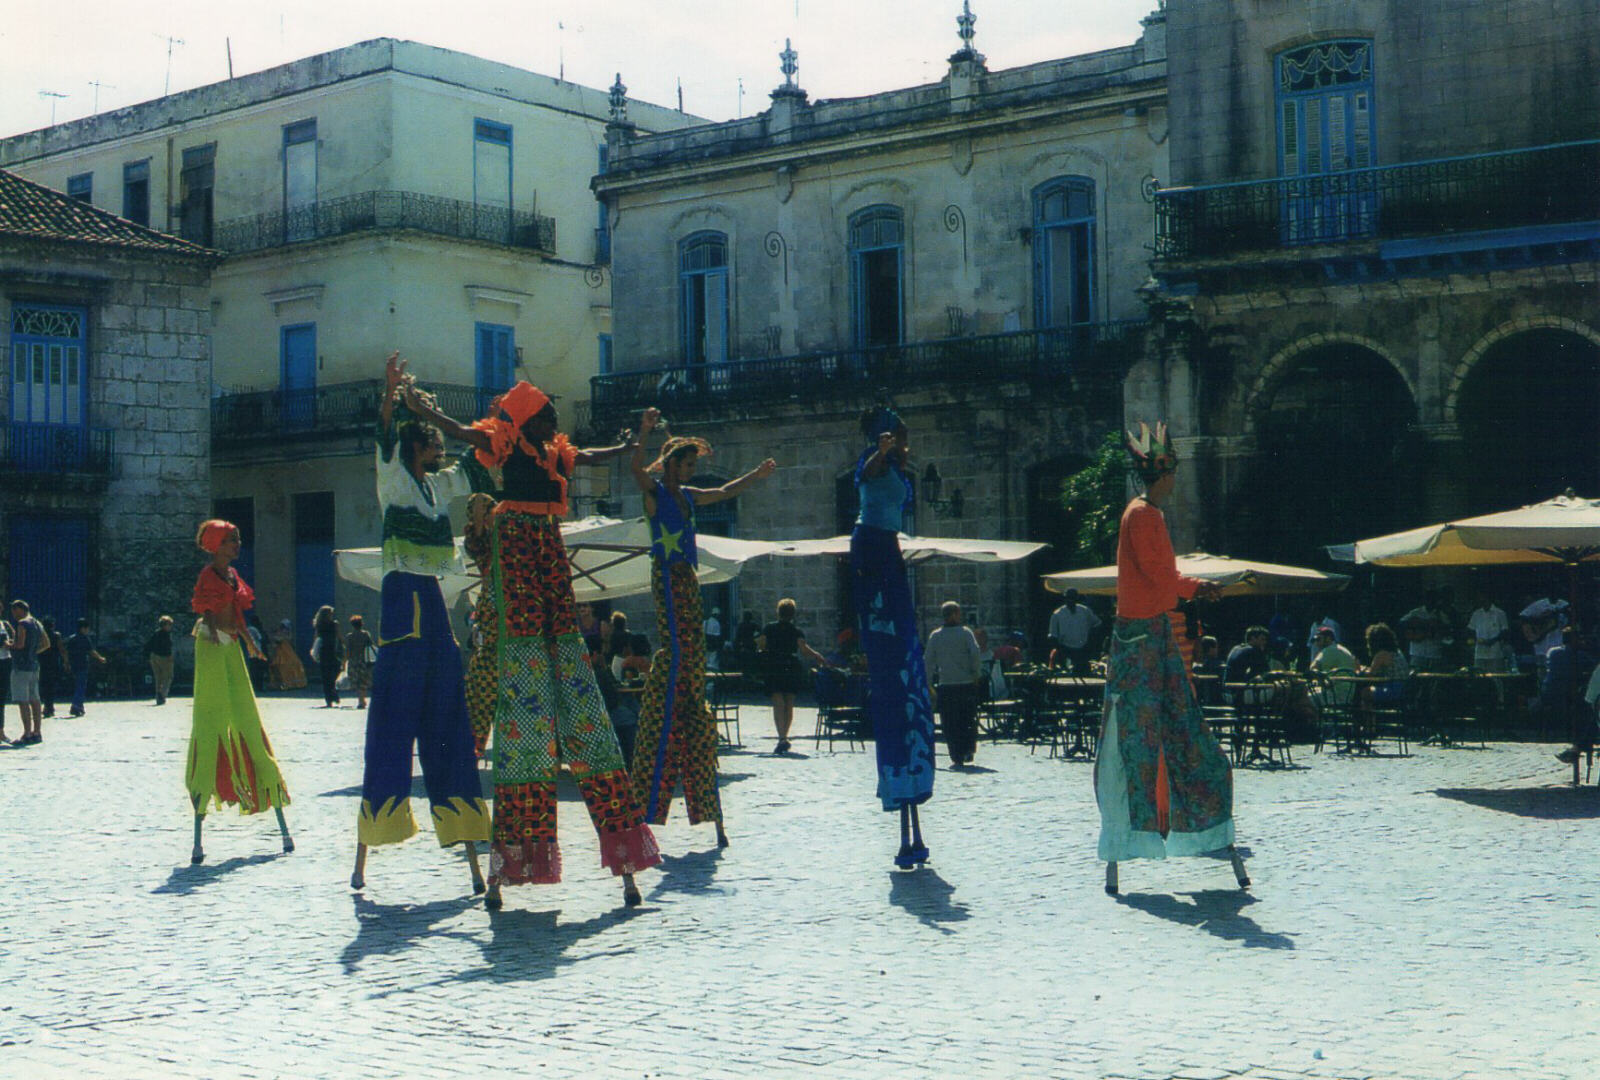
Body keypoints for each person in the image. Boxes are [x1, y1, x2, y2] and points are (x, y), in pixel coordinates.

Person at [400, 375, 661, 909]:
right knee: (526, 727)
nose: (553, 419)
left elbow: (589, 454)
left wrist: (635, 441)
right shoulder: (504, 445)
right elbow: (462, 432)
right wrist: (426, 410)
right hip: (519, 552)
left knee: (570, 688)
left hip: (546, 558)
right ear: (522, 421)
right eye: (544, 412)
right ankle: (513, 865)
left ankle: (614, 862)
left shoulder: (554, 452)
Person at [350, 356, 492, 896]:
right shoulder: (393, 478)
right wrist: (391, 393)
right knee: (391, 728)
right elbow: (383, 429)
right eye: (435, 444)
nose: (442, 453)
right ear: (417, 447)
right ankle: (366, 853)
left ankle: (470, 846)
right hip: (402, 601)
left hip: (430, 602)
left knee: (447, 724)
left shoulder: (436, 488)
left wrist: (480, 421)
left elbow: (477, 463)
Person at [1095, 422, 1243, 897]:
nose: (1176, 479)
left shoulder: (1145, 514)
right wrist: (1196, 589)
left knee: (1163, 735)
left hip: (1149, 633)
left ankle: (1182, 826)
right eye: (1173, 471)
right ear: (1163, 473)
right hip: (1144, 637)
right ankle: (1157, 828)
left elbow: (1164, 577)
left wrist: (1194, 588)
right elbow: (1161, 578)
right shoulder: (1143, 517)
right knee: (1147, 739)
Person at [628, 409, 776, 849]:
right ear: (671, 464)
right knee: (676, 638)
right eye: (687, 465)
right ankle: (676, 658)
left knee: (691, 636)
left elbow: (727, 490)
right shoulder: (654, 493)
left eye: (694, 467)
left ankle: (686, 660)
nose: (692, 471)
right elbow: (636, 468)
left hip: (688, 577)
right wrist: (644, 433)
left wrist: (758, 473)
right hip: (667, 574)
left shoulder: (690, 497)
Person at [851, 405, 937, 870]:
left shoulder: (901, 467)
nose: (906, 442)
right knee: (890, 661)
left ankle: (913, 823)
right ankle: (906, 824)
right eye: (900, 436)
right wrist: (880, 452)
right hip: (871, 547)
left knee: (907, 673)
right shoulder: (875, 459)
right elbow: (866, 477)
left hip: (888, 548)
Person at [187, 520, 293, 863]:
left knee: (247, 716)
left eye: (237, 540)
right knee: (212, 720)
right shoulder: (209, 577)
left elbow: (238, 616)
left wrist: (250, 645)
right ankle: (202, 803)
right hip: (213, 647)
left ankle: (266, 784)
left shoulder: (232, 576)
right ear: (216, 545)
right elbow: (209, 614)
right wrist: (223, 635)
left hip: (230, 646)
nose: (237, 545)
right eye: (231, 541)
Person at [759, 598, 831, 755]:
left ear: (778, 612)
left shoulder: (769, 628)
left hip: (774, 664)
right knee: (789, 702)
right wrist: (817, 655)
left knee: (778, 702)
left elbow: (761, 645)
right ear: (793, 614)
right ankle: (785, 735)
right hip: (790, 665)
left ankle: (782, 738)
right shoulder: (796, 631)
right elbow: (804, 650)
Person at [926, 601, 983, 767]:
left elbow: (928, 661)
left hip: (946, 684)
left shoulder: (936, 636)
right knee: (967, 719)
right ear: (955, 614)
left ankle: (956, 754)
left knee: (950, 722)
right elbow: (975, 654)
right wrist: (976, 674)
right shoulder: (965, 633)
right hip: (965, 683)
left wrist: (928, 682)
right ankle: (967, 749)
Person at [8, 601, 45, 746]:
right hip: (34, 665)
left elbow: (20, 645)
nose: (13, 615)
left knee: (22, 701)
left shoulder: (22, 624)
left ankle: (27, 733)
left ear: (19, 610)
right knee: (35, 700)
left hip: (21, 667)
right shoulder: (37, 623)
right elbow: (46, 644)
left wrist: (8, 644)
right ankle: (37, 732)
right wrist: (33, 653)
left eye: (14, 611)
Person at [1048, 589, 1101, 674]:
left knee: (1084, 672)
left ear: (1076, 599)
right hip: (1065, 649)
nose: (1070, 600)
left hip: (1083, 648)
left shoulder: (1085, 611)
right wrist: (1060, 650)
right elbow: (1052, 635)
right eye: (1068, 598)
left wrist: (1091, 641)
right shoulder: (1057, 614)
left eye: (1072, 598)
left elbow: (1097, 624)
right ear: (1065, 599)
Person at [63, 618, 105, 717]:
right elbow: (91, 651)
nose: (88, 630)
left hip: (74, 665)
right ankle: (76, 705)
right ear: (83, 628)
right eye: (87, 628)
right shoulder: (85, 638)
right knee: (81, 686)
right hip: (82, 665)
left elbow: (66, 652)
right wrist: (100, 658)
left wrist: (66, 663)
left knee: (78, 684)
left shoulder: (72, 638)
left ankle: (80, 706)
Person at [1467, 591, 1513, 674]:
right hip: (1479, 653)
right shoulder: (1476, 614)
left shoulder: (1500, 613)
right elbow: (1471, 629)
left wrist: (1492, 640)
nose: (1481, 600)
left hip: (1495, 653)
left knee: (1496, 678)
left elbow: (1505, 631)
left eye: (1482, 598)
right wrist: (1473, 641)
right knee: (1479, 678)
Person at [311, 606, 344, 708]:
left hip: (323, 651)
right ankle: (332, 694)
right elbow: (339, 636)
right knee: (333, 673)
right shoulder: (334, 624)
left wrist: (314, 651)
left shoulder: (319, 625)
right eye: (331, 613)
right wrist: (345, 645)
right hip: (332, 651)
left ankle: (329, 698)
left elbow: (315, 638)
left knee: (326, 676)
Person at [1225, 626, 1272, 690]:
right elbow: (1266, 672)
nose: (1264, 642)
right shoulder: (1254, 650)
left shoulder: (1236, 648)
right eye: (1262, 639)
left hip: (1228, 690)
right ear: (1253, 638)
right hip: (1241, 690)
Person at [344, 615, 375, 711]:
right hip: (364, 660)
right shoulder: (365, 634)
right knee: (363, 680)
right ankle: (363, 699)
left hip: (353, 660)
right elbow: (371, 645)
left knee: (356, 681)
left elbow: (348, 650)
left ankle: (360, 700)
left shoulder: (349, 636)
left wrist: (345, 661)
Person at [38, 616, 64, 719]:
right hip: (53, 664)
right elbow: (61, 649)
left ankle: (46, 706)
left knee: (43, 686)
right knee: (51, 686)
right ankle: (50, 706)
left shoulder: (40, 635)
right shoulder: (56, 635)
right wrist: (66, 661)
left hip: (42, 663)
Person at [269, 619, 307, 691]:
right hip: (281, 652)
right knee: (281, 667)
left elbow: (280, 639)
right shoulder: (282, 632)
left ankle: (289, 683)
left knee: (288, 666)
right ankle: (282, 684)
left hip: (286, 652)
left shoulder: (286, 633)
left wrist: (275, 637)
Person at [146, 615, 176, 705]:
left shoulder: (156, 633)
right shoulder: (166, 635)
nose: (170, 627)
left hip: (154, 656)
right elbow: (167, 647)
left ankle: (158, 696)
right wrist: (170, 657)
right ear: (165, 625)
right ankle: (162, 694)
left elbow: (149, 644)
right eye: (169, 625)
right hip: (164, 657)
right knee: (168, 676)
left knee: (158, 677)